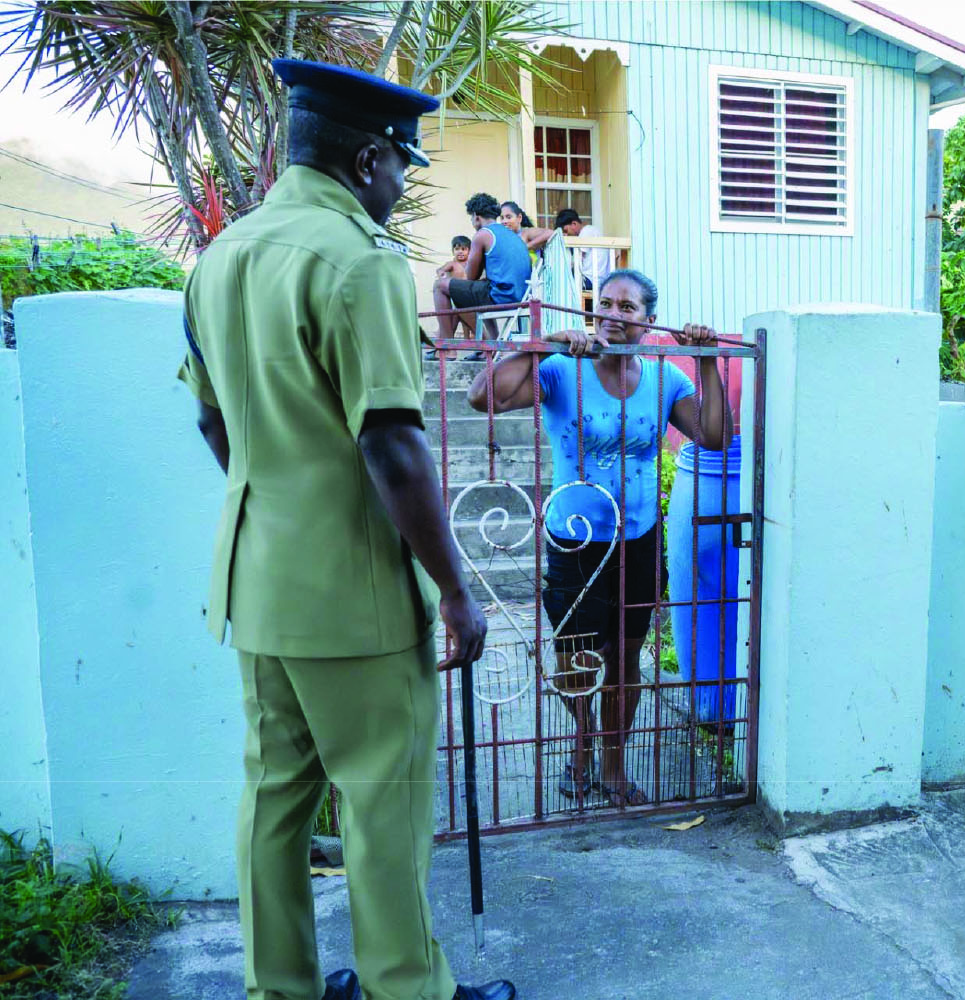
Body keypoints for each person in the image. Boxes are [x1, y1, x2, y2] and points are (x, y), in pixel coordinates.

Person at [177, 58, 514, 1000]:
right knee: (384, 803)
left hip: (255, 584)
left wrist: (281, 504)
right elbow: (393, 447)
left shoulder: (221, 258)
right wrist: (455, 590)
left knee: (274, 797)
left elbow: (211, 421)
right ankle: (408, 989)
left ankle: (278, 988)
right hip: (354, 598)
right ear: (367, 158)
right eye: (401, 163)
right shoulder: (358, 260)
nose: (401, 183)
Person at [465, 269, 726, 807]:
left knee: (625, 662)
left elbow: (714, 435)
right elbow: (482, 398)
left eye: (628, 307)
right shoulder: (562, 369)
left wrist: (705, 360)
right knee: (575, 661)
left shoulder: (665, 378)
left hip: (638, 541)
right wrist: (541, 345)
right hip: (575, 542)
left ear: (649, 321)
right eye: (605, 303)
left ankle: (611, 765)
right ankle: (583, 744)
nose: (612, 314)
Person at [433, 192, 531, 355]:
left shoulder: (483, 235)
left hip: (502, 297)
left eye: (471, 218)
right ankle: (493, 343)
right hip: (520, 296)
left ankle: (447, 347)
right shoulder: (512, 235)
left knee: (440, 286)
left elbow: (470, 277)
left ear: (476, 217)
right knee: (476, 290)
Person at [554, 207, 608, 289]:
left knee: (559, 278)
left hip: (591, 280)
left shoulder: (586, 231)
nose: (566, 235)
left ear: (574, 224)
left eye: (566, 231)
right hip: (595, 279)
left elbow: (577, 260)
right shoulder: (591, 230)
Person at [435, 235, 475, 338]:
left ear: (469, 251)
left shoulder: (471, 264)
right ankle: (445, 338)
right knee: (452, 321)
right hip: (454, 298)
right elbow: (440, 270)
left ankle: (467, 339)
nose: (460, 252)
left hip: (468, 298)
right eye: (457, 249)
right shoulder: (452, 264)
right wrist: (442, 274)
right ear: (453, 251)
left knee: (468, 322)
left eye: (463, 249)